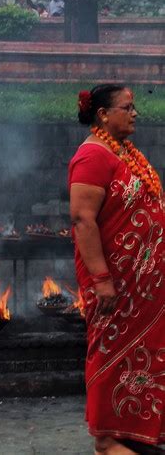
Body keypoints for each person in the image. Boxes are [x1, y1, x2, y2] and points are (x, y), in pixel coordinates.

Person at [68, 84, 165, 455]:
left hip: (144, 290)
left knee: (144, 355)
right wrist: (102, 281)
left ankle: (133, 435)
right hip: (116, 288)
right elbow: (82, 220)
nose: (135, 112)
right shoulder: (92, 156)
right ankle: (108, 439)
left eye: (135, 106)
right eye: (127, 107)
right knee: (111, 357)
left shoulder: (124, 152)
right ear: (103, 115)